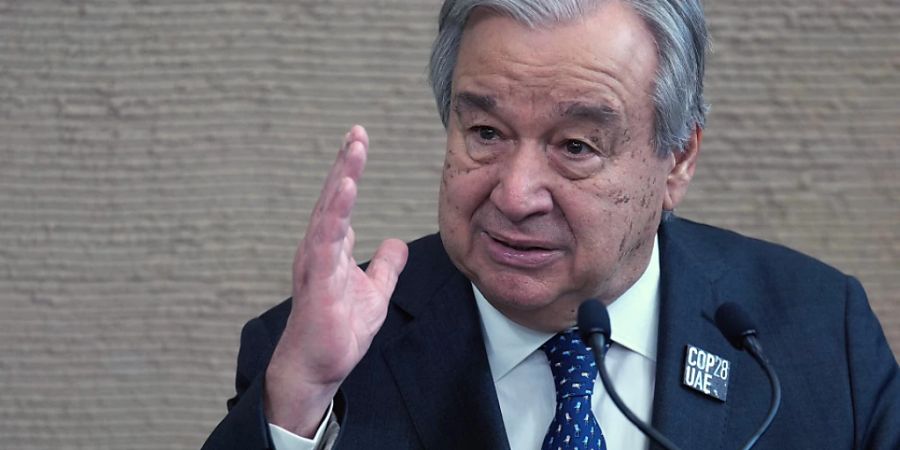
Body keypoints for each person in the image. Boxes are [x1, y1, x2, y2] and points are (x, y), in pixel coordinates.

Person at [202, 0, 900, 449]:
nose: (515, 194)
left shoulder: (816, 335)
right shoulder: (313, 359)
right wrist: (295, 407)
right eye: (485, 132)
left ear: (677, 159)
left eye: (575, 146)